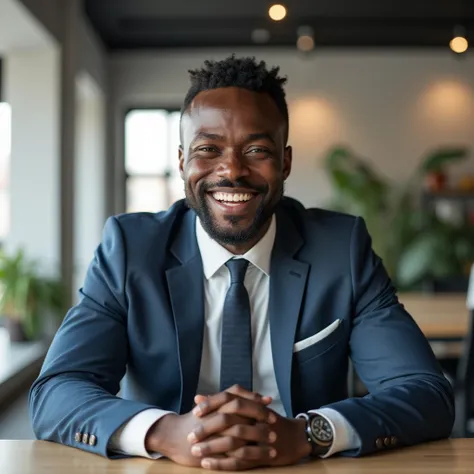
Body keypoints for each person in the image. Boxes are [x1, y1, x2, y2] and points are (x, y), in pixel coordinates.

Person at [29, 55, 454, 471]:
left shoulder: (340, 249)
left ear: (285, 161)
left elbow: (425, 392)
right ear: (181, 162)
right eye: (208, 149)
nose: (232, 170)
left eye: (256, 150)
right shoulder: (129, 250)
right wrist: (165, 432)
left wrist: (308, 434)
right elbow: (57, 391)